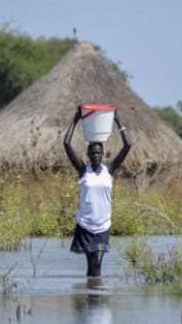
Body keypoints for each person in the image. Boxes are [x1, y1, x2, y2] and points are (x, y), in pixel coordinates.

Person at [63, 106, 132, 278]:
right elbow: (66, 143)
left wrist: (117, 120)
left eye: (98, 153)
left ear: (102, 154)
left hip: (103, 225)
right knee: (91, 263)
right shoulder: (82, 170)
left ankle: (96, 298)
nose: (95, 156)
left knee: (97, 262)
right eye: (92, 153)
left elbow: (128, 145)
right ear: (88, 154)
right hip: (86, 224)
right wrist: (75, 119)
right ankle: (92, 297)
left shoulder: (109, 170)